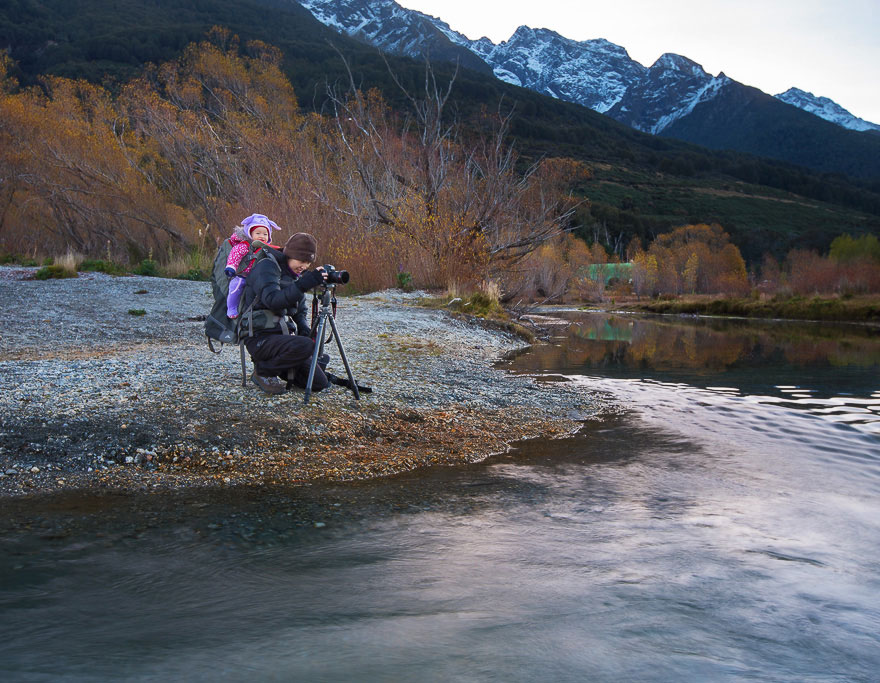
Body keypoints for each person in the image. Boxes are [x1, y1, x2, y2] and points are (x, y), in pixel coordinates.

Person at [240, 231, 330, 395]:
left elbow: (299, 310)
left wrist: (304, 328)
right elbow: (273, 300)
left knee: (319, 383)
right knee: (305, 346)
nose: (303, 266)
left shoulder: (294, 274)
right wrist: (304, 284)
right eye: (301, 260)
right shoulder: (266, 266)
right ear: (289, 255)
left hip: (282, 338)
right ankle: (262, 370)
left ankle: (282, 366)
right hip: (259, 337)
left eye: (308, 262)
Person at [224, 214, 281, 318]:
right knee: (235, 288)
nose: (262, 236)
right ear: (250, 233)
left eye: (265, 234)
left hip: (256, 278)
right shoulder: (244, 246)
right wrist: (231, 267)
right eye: (258, 233)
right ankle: (231, 308)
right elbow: (234, 256)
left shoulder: (268, 249)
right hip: (242, 276)